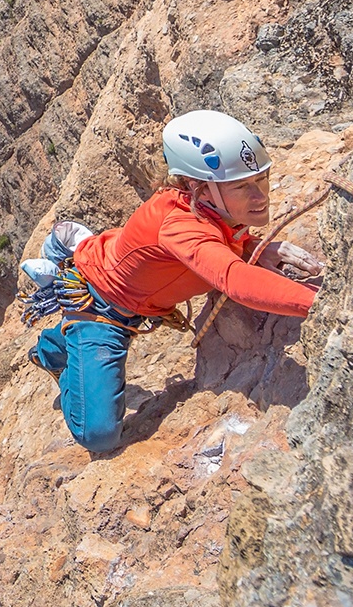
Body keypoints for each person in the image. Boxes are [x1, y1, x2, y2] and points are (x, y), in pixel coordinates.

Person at [22, 110, 324, 454]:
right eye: (242, 186)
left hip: (121, 286)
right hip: (99, 308)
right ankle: (61, 350)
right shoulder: (180, 225)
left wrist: (255, 246)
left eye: (262, 179)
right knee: (100, 436)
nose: (261, 196)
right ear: (199, 188)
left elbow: (218, 244)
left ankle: (52, 348)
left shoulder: (210, 209)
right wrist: (320, 304)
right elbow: (233, 279)